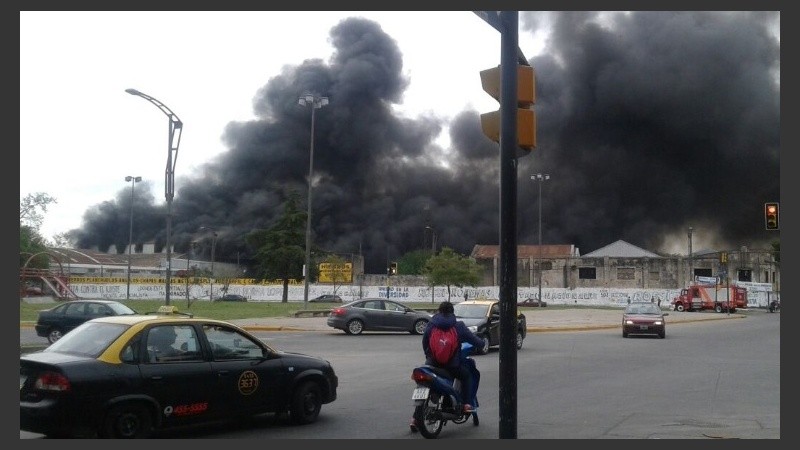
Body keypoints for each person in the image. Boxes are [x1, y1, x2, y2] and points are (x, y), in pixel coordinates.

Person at [411, 301, 485, 432]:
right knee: (467, 375)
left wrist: (429, 356)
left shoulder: (432, 324)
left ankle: (414, 419)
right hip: (452, 365)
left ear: (439, 311)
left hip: (432, 363)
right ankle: (467, 404)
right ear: (452, 312)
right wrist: (481, 342)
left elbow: (425, 342)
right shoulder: (458, 326)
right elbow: (476, 341)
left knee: (423, 384)